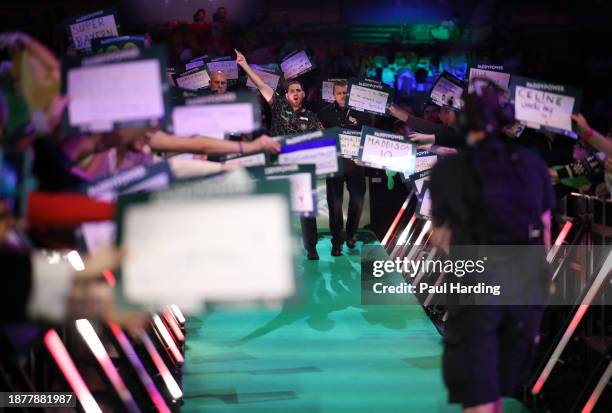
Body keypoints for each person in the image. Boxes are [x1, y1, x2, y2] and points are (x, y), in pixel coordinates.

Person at [428, 84, 554, 413]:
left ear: (462, 122)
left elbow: (441, 239)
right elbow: (545, 234)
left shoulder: (448, 170)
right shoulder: (533, 165)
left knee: (480, 399)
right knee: (499, 392)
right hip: (524, 295)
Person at [236, 49, 323, 260]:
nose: (295, 92)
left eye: (298, 90)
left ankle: (311, 247)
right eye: (291, 90)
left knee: (306, 208)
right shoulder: (277, 105)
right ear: (286, 95)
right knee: (278, 206)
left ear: (303, 94)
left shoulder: (311, 117)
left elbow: (319, 142)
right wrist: (244, 64)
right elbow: (260, 84)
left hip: (302, 167)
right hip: (278, 164)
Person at [318, 80, 367, 255]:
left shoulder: (361, 112)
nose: (343, 96)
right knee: (335, 205)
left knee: (358, 200)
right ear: (333, 95)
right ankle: (337, 241)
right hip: (334, 163)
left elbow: (368, 136)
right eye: (340, 93)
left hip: (355, 164)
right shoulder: (324, 113)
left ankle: (351, 233)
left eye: (346, 93)